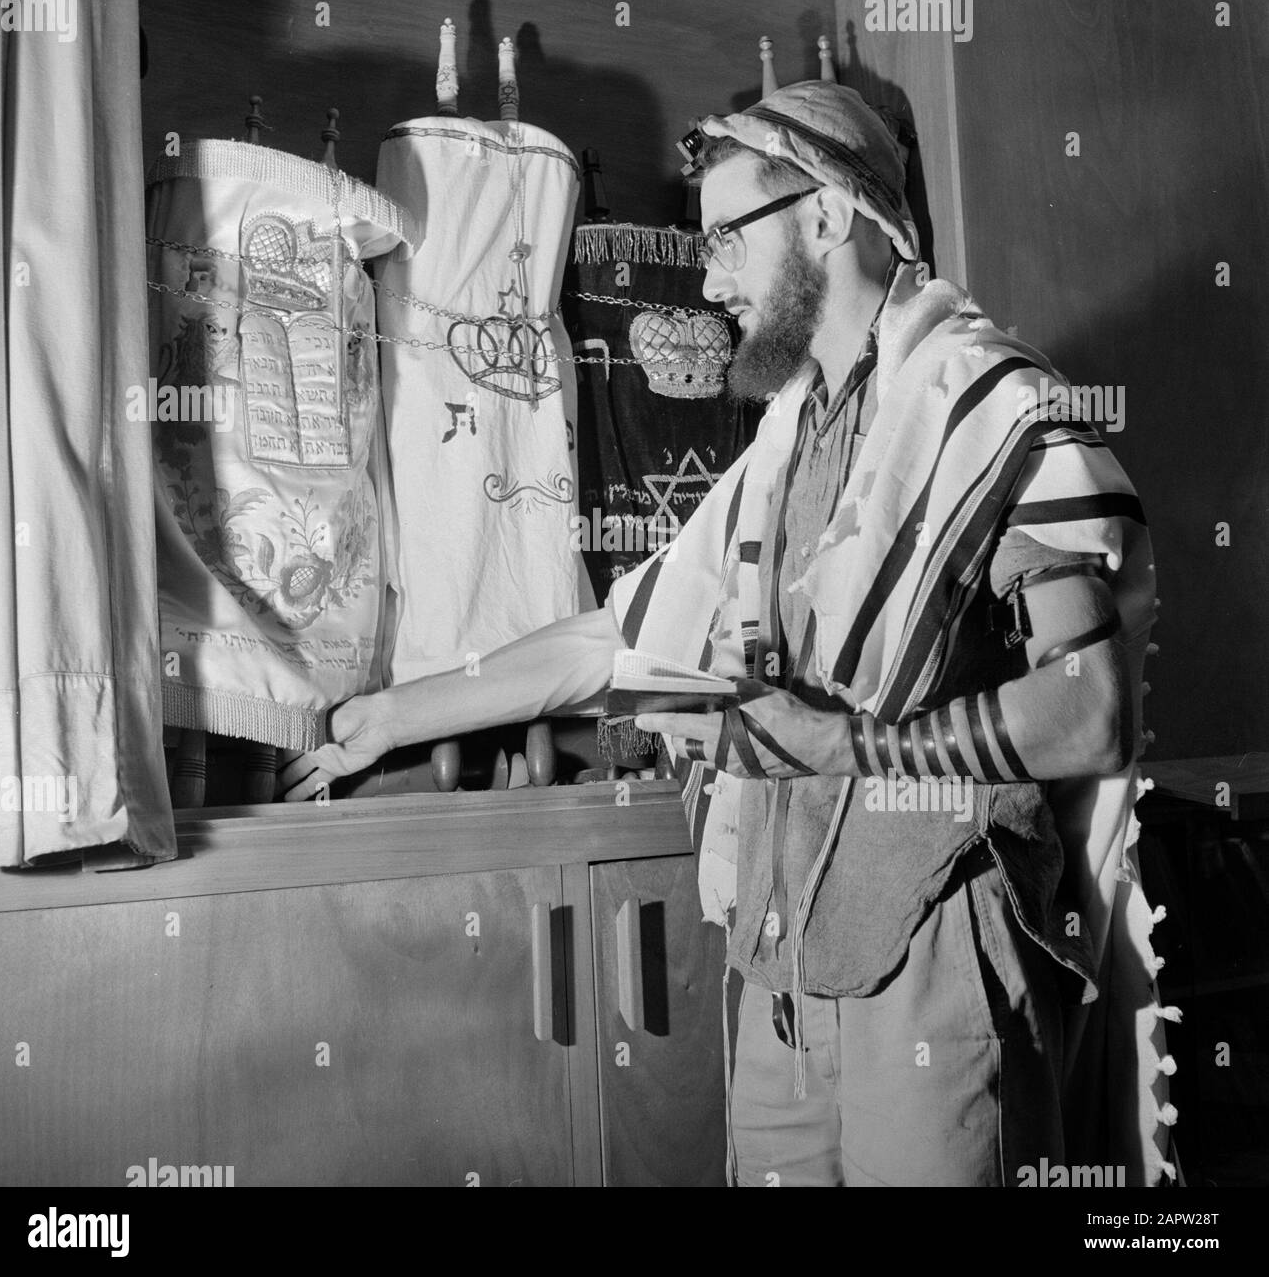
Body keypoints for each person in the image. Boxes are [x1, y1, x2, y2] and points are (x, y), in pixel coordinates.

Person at [280, 82, 1170, 1188]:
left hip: (934, 956)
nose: (706, 282)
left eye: (723, 242)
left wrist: (850, 748)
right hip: (782, 959)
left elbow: (1090, 708)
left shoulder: (992, 414)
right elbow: (621, 639)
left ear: (829, 213)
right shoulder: (785, 448)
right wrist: (392, 714)